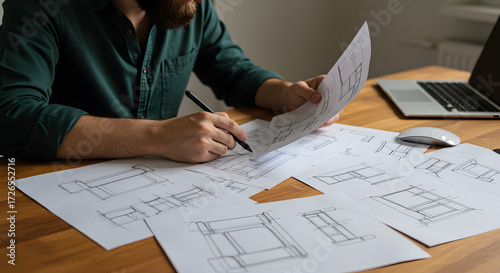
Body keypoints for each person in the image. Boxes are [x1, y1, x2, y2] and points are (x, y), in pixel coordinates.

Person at [0, 0, 341, 163]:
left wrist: (285, 94)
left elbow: (232, 71)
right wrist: (158, 135)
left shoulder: (188, 4)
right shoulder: (40, 7)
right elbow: (11, 116)